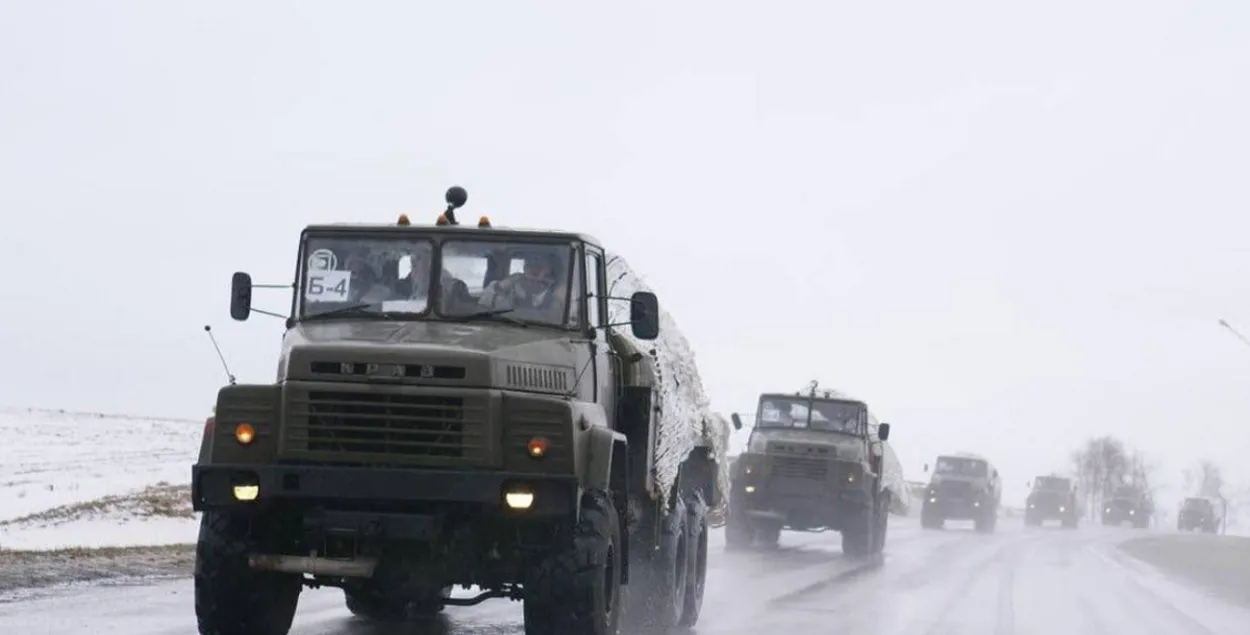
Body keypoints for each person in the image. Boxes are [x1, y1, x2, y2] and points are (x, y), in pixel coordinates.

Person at [477, 250, 567, 320]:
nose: (534, 266)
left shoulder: (559, 291)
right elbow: (483, 305)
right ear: (524, 267)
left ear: (550, 268)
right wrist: (500, 287)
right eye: (530, 262)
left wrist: (560, 299)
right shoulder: (512, 286)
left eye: (540, 262)